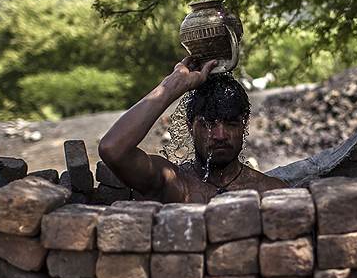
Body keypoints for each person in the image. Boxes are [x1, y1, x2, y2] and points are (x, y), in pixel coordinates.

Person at [99, 57, 287, 203]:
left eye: (231, 124)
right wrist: (173, 84)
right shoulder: (173, 184)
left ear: (244, 124)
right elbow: (112, 149)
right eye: (208, 124)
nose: (220, 135)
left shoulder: (269, 192)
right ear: (190, 126)